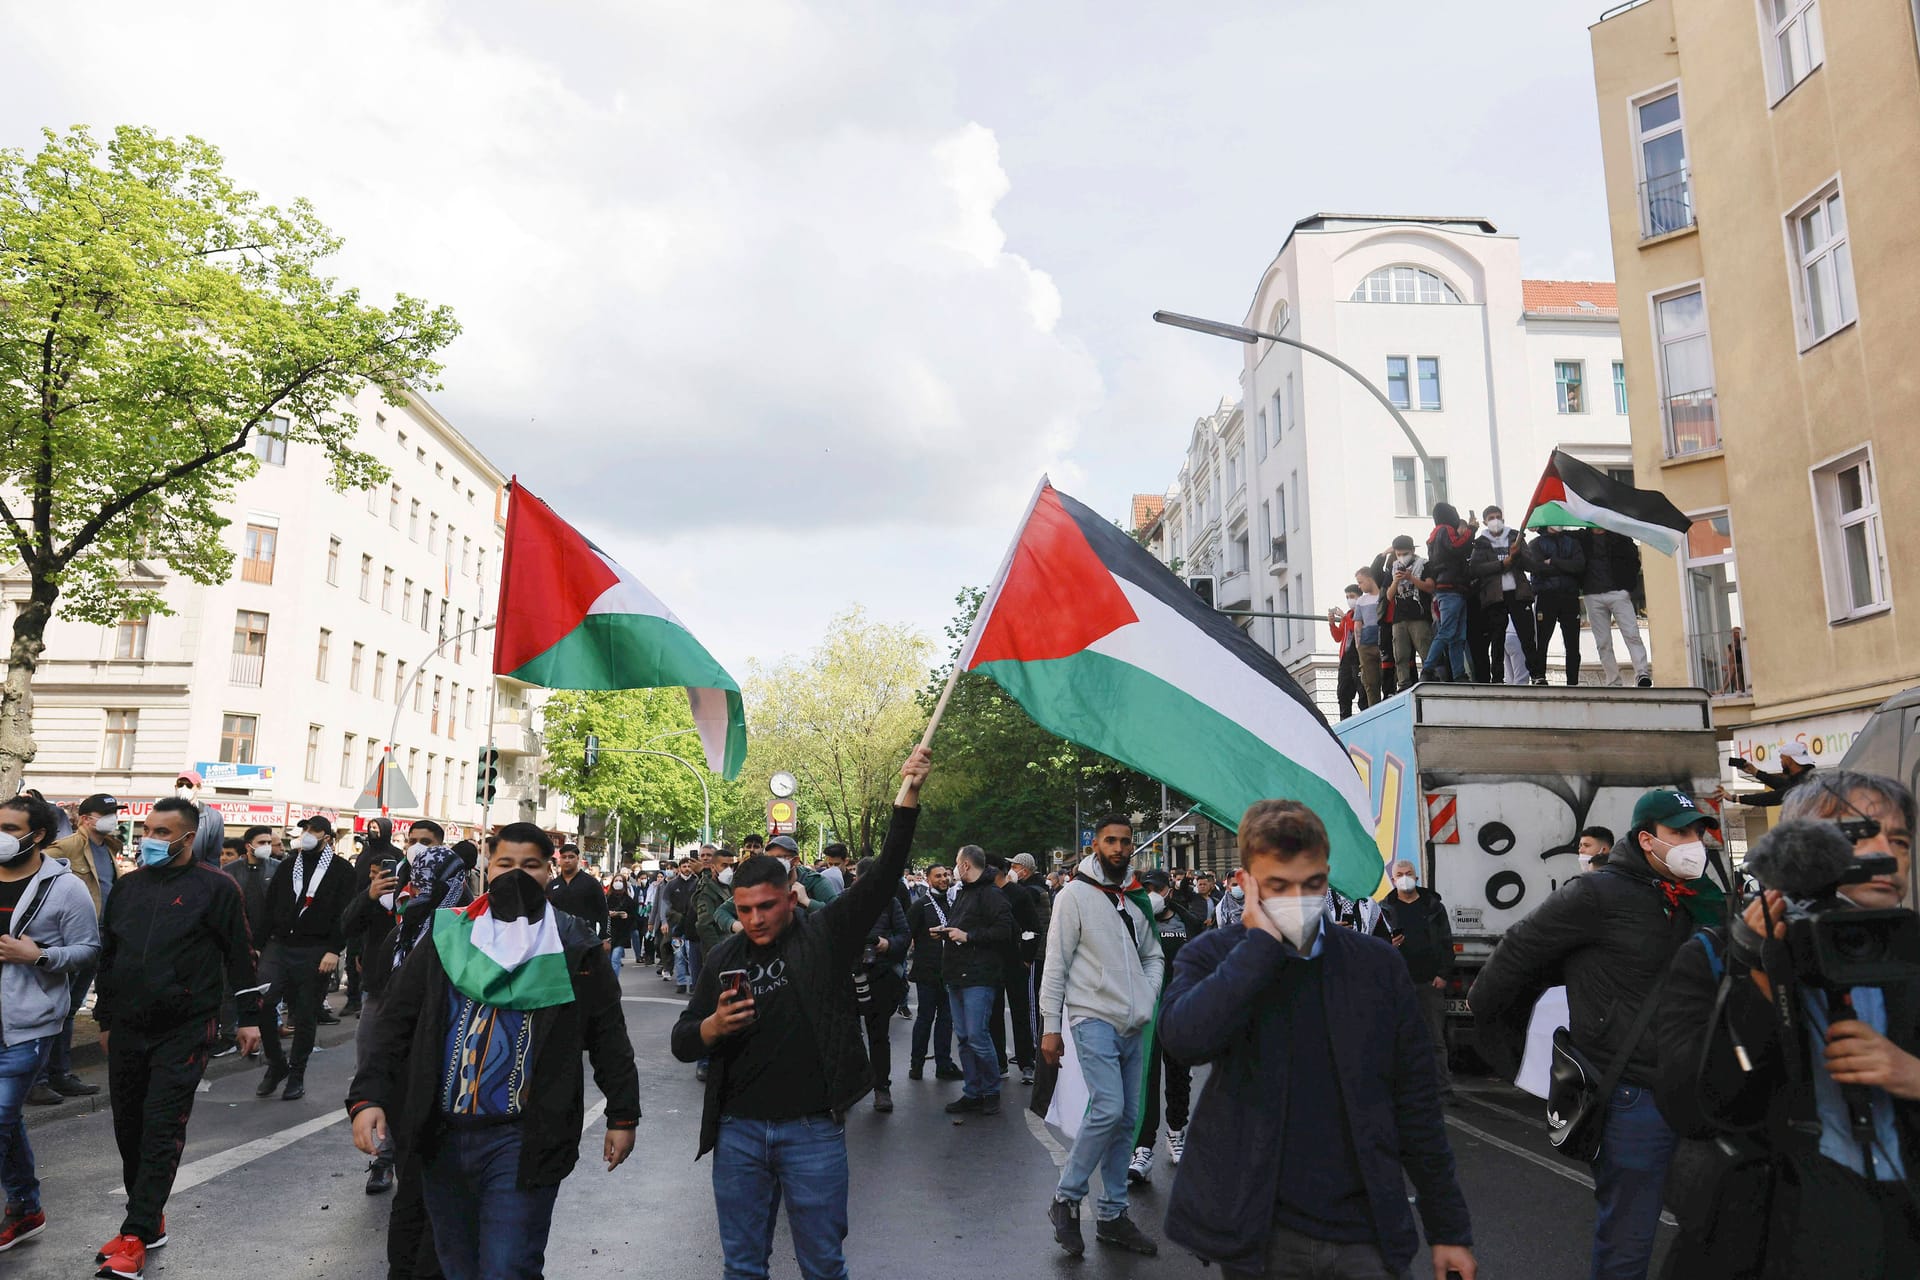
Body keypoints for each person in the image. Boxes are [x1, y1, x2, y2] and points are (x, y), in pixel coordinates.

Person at [1161, 800, 1476, 1280]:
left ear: (1327, 876)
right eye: (1277, 886)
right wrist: (1258, 949)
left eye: (1311, 885)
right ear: (1246, 883)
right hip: (1262, 1231)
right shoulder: (1215, 955)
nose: (1298, 900)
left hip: (1364, 1228)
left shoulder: (1374, 966)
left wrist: (1448, 1228)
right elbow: (1184, 1039)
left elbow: (1416, 1103)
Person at [671, 747, 930, 1280]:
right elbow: (682, 1041)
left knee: (823, 1265)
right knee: (742, 1267)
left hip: (812, 1129)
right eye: (744, 910)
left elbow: (883, 876)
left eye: (767, 906)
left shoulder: (827, 935)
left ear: (791, 898)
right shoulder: (724, 956)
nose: (756, 918)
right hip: (738, 1132)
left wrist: (909, 795)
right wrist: (711, 1027)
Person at [1653, 773, 1920, 1278]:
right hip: (1775, 1237)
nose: (1886, 850)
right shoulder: (1716, 955)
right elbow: (1691, 1109)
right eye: (1859, 833)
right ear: (1797, 848)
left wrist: (1911, 1075)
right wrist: (1758, 972)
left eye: (1900, 839)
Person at [349, 823, 638, 1280]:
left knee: (508, 1267)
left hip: (521, 1139)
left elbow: (608, 1036)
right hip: (440, 1136)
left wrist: (623, 1115)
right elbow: (396, 1024)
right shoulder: (449, 937)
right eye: (505, 864)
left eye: (530, 866)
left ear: (549, 871)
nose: (516, 875)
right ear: (486, 866)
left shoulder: (573, 948)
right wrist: (368, 1098)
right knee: (456, 1266)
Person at [1471, 788, 1724, 1280]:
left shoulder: (1705, 898)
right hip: (1633, 1093)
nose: (1695, 842)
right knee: (1629, 1240)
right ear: (1648, 840)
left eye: (1698, 832)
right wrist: (1511, 1049)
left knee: (1715, 1231)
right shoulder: (1595, 894)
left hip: (1700, 1088)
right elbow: (1513, 958)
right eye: (1681, 832)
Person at [92, 798, 263, 1280]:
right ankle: (149, 1218)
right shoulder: (128, 888)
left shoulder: (217, 887)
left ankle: (136, 1232)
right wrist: (105, 1018)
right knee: (129, 1128)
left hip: (185, 1026)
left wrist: (249, 1017)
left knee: (161, 1126)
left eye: (164, 833)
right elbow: (110, 954)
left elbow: (240, 955)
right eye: (148, 830)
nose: (152, 840)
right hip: (126, 1026)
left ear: (189, 838)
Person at [1039, 816, 1164, 1257]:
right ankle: (1066, 1197)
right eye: (1110, 840)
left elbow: (1154, 955)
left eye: (1125, 842)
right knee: (1108, 1107)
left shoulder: (1134, 899)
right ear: (1095, 844)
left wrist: (1147, 996)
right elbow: (1055, 964)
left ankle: (1112, 1215)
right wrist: (1050, 1027)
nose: (1118, 848)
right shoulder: (1073, 895)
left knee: (1127, 1119)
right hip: (1091, 1016)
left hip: (1134, 1023)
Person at [0, 793, 100, 1250]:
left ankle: (23, 1208)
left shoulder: (64, 887)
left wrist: (38, 955)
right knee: (6, 1120)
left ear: (37, 835)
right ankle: (26, 1207)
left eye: (10, 829)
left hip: (25, 1027)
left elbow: (88, 951)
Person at [255, 814, 356, 1102]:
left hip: (316, 949)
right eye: (305, 830)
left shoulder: (341, 871)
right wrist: (258, 945)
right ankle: (277, 1065)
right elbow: (270, 905)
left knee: (306, 1013)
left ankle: (296, 1074)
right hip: (279, 945)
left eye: (314, 830)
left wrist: (334, 950)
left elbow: (344, 914)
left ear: (327, 837)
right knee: (263, 1003)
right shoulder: (289, 866)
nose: (308, 834)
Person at [31, 792, 119, 1105]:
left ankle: (59, 1074)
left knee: (69, 1009)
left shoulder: (109, 848)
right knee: (53, 1009)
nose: (113, 818)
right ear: (84, 819)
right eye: (104, 814)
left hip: (97, 937)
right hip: (68, 939)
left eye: (114, 812)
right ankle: (37, 1080)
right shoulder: (65, 848)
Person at [1128, 870, 1193, 1187]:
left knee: (1179, 1075)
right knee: (1146, 1079)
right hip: (1147, 1013)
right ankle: (1142, 1148)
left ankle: (1177, 1131)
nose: (1151, 893)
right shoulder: (1135, 922)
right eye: (1146, 888)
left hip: (1180, 1011)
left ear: (1168, 891)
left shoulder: (1188, 922)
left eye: (1156, 888)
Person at [941, 844, 1013, 1118]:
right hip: (957, 973)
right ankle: (973, 1092)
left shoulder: (991, 895)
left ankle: (990, 1091)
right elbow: (963, 926)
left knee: (976, 1036)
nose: (954, 868)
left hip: (978, 976)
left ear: (966, 865)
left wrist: (967, 936)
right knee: (963, 1038)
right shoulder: (965, 893)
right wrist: (947, 932)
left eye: (957, 863)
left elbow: (1003, 932)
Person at [1380, 859, 1456, 1106]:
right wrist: (1389, 946)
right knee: (1397, 1040)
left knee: (1435, 1040)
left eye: (1408, 873)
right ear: (1393, 880)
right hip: (1398, 985)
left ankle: (1443, 1092)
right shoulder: (1385, 909)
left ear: (1417, 877)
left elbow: (1446, 942)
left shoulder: (1432, 906)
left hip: (1429, 983)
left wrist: (1443, 974)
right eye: (1399, 874)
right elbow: (1375, 947)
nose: (1404, 878)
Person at [850, 856, 909, 1112]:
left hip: (881, 976)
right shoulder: (844, 901)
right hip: (847, 976)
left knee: (878, 1035)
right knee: (846, 1034)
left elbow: (904, 935)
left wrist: (887, 944)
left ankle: (881, 1088)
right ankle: (846, 1088)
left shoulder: (890, 902)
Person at [1468, 505, 1538, 685]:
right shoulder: (1481, 543)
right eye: (1491, 517)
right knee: (1497, 640)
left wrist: (1518, 555)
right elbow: (1475, 569)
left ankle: (1537, 675)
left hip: (1518, 593)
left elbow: (1531, 564)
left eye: (1498, 516)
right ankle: (1498, 679)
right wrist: (1504, 563)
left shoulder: (1516, 537)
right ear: (1485, 521)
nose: (1495, 520)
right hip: (1494, 597)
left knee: (1527, 637)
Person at [906, 864, 961, 1081]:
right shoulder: (920, 906)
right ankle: (916, 1064)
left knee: (946, 1019)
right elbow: (907, 934)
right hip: (927, 971)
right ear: (928, 880)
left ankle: (944, 1064)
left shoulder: (954, 903)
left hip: (950, 970)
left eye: (946, 875)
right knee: (925, 1017)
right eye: (938, 876)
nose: (943, 879)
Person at [1582, 528, 1651, 687]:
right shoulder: (1582, 537)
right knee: (1603, 642)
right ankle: (1613, 681)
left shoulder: (1620, 537)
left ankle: (1642, 674)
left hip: (1617, 592)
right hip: (1592, 595)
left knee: (1632, 634)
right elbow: (1558, 535)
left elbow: (1634, 559)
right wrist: (1541, 530)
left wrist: (1627, 586)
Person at [1419, 502, 1474, 683]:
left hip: (1450, 588)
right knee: (1448, 632)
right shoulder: (1445, 530)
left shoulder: (1435, 536)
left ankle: (1459, 674)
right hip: (1452, 587)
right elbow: (1457, 546)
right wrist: (1470, 531)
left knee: (1457, 635)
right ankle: (1428, 669)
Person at [1529, 524, 1588, 686]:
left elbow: (1579, 566)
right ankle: (1540, 677)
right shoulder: (1536, 544)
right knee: (1542, 640)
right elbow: (1537, 568)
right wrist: (1565, 567)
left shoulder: (1572, 542)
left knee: (1572, 643)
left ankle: (1573, 682)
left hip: (1569, 596)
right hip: (1546, 596)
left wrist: (1553, 561)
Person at [1384, 534, 1433, 689]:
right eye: (1398, 554)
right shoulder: (1393, 568)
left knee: (1425, 649)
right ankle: (1403, 683)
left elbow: (1430, 587)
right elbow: (1389, 596)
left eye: (1405, 554)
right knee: (1400, 654)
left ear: (1412, 550)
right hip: (1399, 618)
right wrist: (1396, 580)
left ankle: (1430, 679)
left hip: (1419, 615)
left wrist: (1411, 578)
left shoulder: (1424, 564)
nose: (1402, 557)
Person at [546, 842, 608, 942]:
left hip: (585, 939)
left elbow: (604, 912)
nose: (567, 860)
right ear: (560, 860)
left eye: (571, 857)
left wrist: (606, 937)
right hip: (558, 940)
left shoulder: (591, 883)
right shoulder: (552, 885)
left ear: (577, 859)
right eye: (564, 857)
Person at [1732, 740, 1817, 807]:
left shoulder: (1801, 785)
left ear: (1789, 760)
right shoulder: (1807, 778)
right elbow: (1780, 783)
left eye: (1782, 758)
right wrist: (1755, 772)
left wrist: (1736, 798)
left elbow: (1770, 798)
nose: (1781, 762)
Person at [1329, 584, 1367, 721]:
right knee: (1343, 692)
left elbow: (1356, 628)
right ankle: (1344, 719)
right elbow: (1338, 637)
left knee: (1362, 690)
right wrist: (1332, 624)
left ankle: (1365, 717)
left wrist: (1344, 617)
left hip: (1358, 658)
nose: (1349, 600)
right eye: (1347, 597)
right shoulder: (1349, 615)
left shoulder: (1362, 612)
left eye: (1352, 596)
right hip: (1346, 659)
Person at [606, 874, 637, 976]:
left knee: (615, 959)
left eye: (620, 881)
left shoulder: (629, 900)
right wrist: (608, 914)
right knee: (607, 961)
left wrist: (626, 916)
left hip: (622, 934)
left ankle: (614, 985)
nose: (618, 883)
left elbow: (633, 917)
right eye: (616, 880)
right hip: (608, 933)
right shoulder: (606, 898)